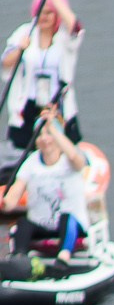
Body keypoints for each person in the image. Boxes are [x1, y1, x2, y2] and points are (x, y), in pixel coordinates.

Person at [0, 109, 95, 266]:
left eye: (48, 134)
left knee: (67, 218)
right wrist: (7, 203)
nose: (44, 139)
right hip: (43, 225)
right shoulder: (31, 162)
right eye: (40, 135)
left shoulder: (69, 160)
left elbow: (75, 158)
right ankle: (18, 259)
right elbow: (16, 190)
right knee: (23, 223)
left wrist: (52, 127)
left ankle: (63, 258)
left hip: (70, 226)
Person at [2, 0, 83, 154]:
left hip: (58, 109)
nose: (43, 18)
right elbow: (5, 63)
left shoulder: (64, 37)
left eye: (48, 13)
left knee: (62, 150)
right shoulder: (25, 32)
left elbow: (75, 26)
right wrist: (20, 50)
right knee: (20, 153)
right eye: (40, 13)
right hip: (27, 109)